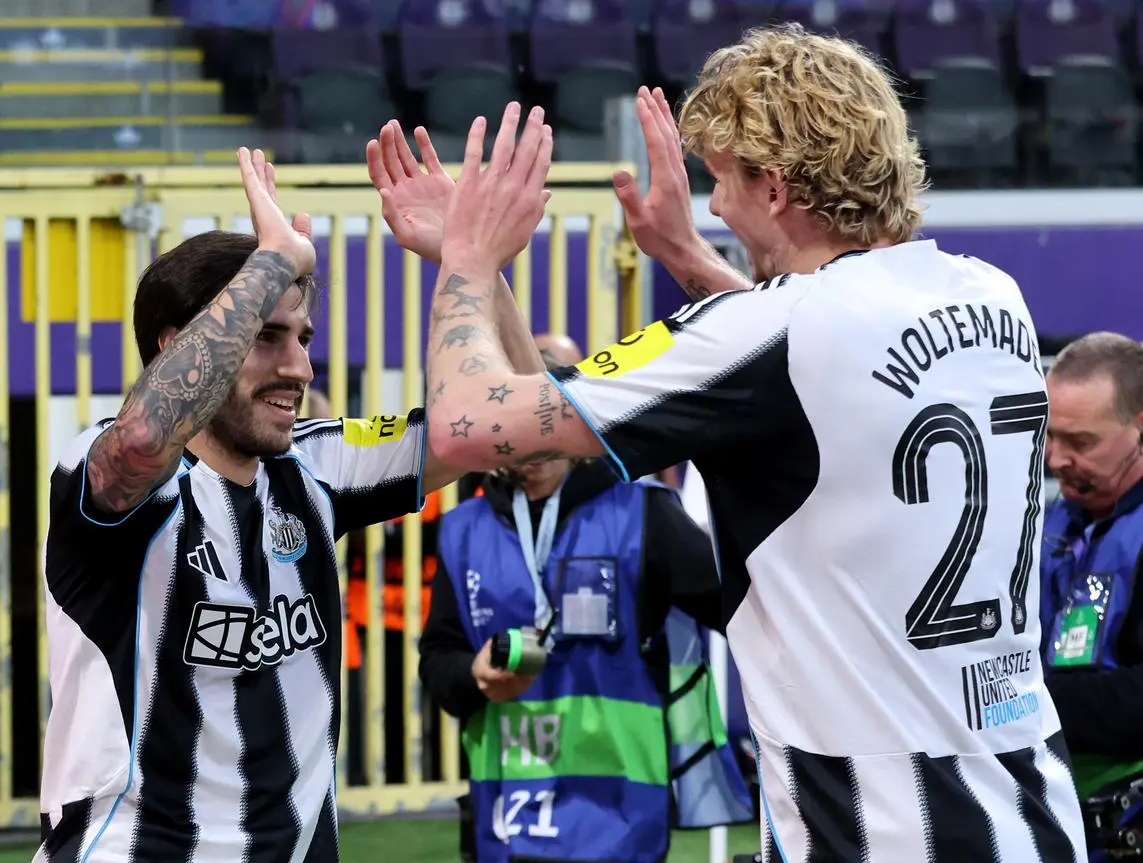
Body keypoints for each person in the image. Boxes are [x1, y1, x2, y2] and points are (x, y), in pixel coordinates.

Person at [418, 24, 1087, 863]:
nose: (716, 202)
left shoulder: (765, 332)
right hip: (1029, 806)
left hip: (870, 823)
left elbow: (466, 421)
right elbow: (821, 375)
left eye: (721, 179)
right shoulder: (993, 294)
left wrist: (465, 260)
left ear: (773, 187)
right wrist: (687, 255)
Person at [34, 148, 542, 862]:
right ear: (177, 346)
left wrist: (470, 261)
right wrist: (273, 259)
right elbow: (146, 435)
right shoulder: (107, 472)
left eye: (302, 338)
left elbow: (529, 431)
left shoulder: (317, 465)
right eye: (266, 338)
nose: (300, 367)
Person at [418, 337, 751, 863]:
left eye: (539, 428)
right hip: (505, 815)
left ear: (570, 420)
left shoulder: (644, 515)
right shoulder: (463, 530)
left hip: (619, 818)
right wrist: (473, 676)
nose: (525, 450)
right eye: (507, 432)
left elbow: (747, 614)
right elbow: (438, 660)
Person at [1039, 332, 1143, 853]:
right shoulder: (1052, 525)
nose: (1056, 460)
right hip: (1049, 811)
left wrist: (1017, 700)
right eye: (1050, 436)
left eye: (1081, 443)